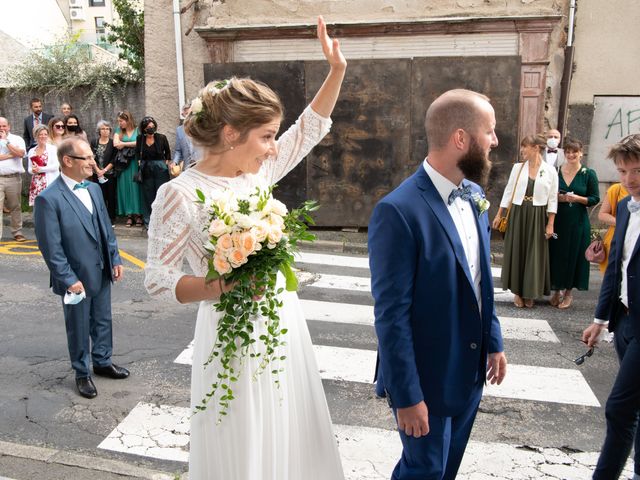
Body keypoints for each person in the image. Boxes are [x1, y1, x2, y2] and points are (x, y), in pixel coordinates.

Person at [144, 16, 346, 480]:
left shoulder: (256, 174)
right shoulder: (179, 194)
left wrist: (335, 71)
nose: (275, 148)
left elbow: (309, 130)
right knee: (243, 436)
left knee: (289, 427)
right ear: (232, 134)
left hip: (282, 321)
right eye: (267, 136)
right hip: (231, 333)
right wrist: (224, 284)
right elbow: (158, 279)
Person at [369, 89, 507, 480]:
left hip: (469, 373)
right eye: (490, 132)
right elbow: (391, 316)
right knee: (423, 472)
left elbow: (480, 279)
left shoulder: (475, 195)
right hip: (425, 380)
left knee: (445, 470)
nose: (495, 141)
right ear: (460, 139)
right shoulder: (398, 211)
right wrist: (408, 397)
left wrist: (493, 340)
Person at [34, 138, 129, 399]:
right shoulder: (48, 199)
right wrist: (68, 279)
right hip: (75, 278)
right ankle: (81, 372)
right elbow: (50, 248)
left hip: (102, 269)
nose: (92, 162)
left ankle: (102, 361)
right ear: (68, 161)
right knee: (77, 325)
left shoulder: (94, 189)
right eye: (86, 158)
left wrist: (115, 258)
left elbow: (105, 228)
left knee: (102, 319)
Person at [582, 133, 640, 480]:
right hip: (625, 322)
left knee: (619, 408)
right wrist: (600, 319)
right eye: (622, 172)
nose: (629, 179)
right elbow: (616, 265)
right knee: (634, 407)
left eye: (636, 170)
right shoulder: (624, 206)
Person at [493, 135, 558, 308]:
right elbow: (508, 192)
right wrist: (500, 214)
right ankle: (517, 291)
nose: (522, 150)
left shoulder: (550, 170)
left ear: (536, 148)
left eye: (525, 146)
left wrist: (550, 223)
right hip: (518, 212)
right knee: (517, 250)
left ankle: (530, 292)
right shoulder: (518, 168)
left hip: (538, 214)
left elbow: (553, 198)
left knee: (534, 253)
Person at [548, 138, 600, 308]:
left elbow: (595, 198)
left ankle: (568, 293)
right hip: (559, 219)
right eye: (568, 152)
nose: (570, 155)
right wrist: (560, 198)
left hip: (578, 221)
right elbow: (548, 193)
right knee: (556, 253)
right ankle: (556, 290)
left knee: (573, 254)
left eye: (574, 152)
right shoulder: (556, 170)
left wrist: (577, 198)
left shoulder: (588, 173)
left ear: (581, 153)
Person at [136, 116, 171, 228]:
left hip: (160, 167)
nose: (151, 128)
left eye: (152, 126)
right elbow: (137, 153)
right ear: (144, 128)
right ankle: (149, 221)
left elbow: (168, 153)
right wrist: (139, 163)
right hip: (146, 168)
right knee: (148, 195)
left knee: (161, 193)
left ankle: (163, 220)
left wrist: (165, 163)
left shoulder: (162, 137)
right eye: (148, 127)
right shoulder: (140, 139)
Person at [114, 110, 143, 227]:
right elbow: (116, 144)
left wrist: (124, 144)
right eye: (119, 121)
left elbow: (140, 142)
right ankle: (129, 215)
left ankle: (138, 214)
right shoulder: (118, 131)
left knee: (136, 188)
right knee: (125, 188)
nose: (120, 123)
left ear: (127, 120)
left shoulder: (138, 130)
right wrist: (131, 143)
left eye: (121, 121)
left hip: (136, 163)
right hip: (123, 164)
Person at [0, 117, 27, 242]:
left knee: (15, 206)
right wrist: (12, 154)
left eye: (4, 126)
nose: (1, 128)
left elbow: (21, 154)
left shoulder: (17, 139)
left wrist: (6, 142)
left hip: (13, 178)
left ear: (9, 126)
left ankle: (17, 232)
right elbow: (16, 153)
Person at [598, 182, 629, 274]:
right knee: (613, 277)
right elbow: (602, 214)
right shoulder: (616, 189)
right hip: (616, 238)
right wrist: (622, 222)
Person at [91, 120, 117, 224]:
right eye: (103, 129)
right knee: (99, 196)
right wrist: (98, 171)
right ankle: (100, 218)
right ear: (99, 130)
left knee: (110, 196)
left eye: (107, 129)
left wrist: (104, 170)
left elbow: (114, 159)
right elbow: (91, 157)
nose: (105, 131)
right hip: (96, 174)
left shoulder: (112, 143)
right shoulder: (94, 142)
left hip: (109, 174)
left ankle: (111, 219)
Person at [27, 125, 60, 207]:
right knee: (38, 207)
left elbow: (56, 166)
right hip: (37, 182)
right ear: (36, 136)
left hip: (50, 181)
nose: (43, 136)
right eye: (40, 134)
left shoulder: (52, 149)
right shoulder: (31, 151)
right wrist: (33, 170)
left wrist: (40, 169)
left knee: (50, 206)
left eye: (45, 134)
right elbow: (29, 169)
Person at [173, 103, 198, 171]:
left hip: (201, 166)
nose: (189, 116)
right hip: (187, 167)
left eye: (191, 114)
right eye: (186, 114)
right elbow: (178, 150)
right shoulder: (179, 130)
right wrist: (175, 162)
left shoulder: (201, 127)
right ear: (183, 115)